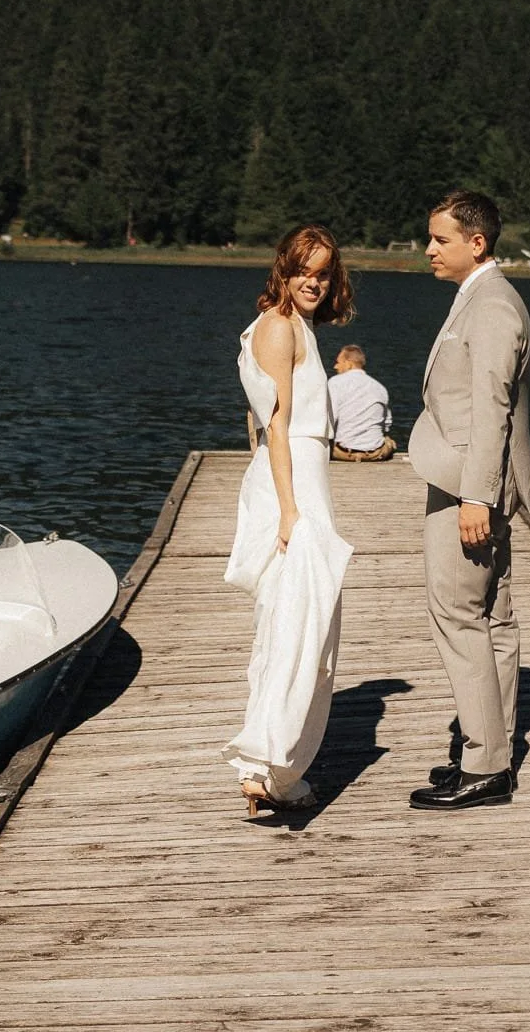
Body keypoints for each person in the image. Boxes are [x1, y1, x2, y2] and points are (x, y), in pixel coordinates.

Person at [222, 224, 356, 815]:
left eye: (324, 272)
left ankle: (273, 767)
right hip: (292, 481)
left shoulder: (294, 326)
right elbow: (273, 424)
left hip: (299, 476)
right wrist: (289, 509)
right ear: (283, 267)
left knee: (301, 620)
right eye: (305, 269)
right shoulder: (278, 327)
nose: (314, 281)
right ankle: (265, 763)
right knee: (299, 622)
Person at [407, 189, 530, 812]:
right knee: (494, 621)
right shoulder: (482, 297)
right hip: (473, 481)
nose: (429, 249)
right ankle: (493, 754)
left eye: (440, 239)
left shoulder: (490, 306)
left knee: (459, 618)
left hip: (468, 486)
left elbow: (492, 410)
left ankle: (484, 764)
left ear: (476, 243)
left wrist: (476, 497)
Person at [327, 344, 397, 462]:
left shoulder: (335, 383)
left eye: (338, 362)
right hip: (375, 453)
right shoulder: (379, 387)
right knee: (390, 442)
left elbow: (329, 419)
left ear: (349, 364)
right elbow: (387, 424)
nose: (335, 366)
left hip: (343, 452)